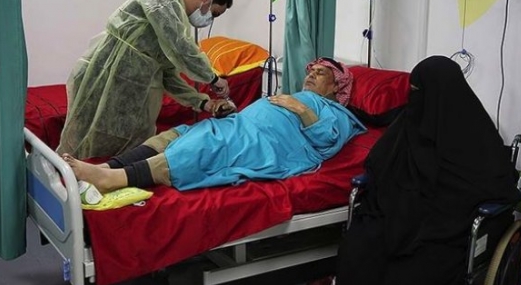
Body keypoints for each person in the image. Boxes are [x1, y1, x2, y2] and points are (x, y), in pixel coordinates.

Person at [333, 56, 521, 285]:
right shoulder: (405, 127)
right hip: (394, 215)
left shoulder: (475, 138)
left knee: (408, 280)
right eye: (412, 90)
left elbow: (492, 185)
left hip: (443, 228)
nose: (415, 98)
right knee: (358, 251)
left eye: (419, 91)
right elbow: (379, 166)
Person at [62, 58, 364, 194]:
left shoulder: (336, 112)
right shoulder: (297, 94)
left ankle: (112, 179)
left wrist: (299, 108)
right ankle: (108, 166)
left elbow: (327, 141)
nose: (311, 74)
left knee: (200, 147)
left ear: (336, 87)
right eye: (311, 70)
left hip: (262, 146)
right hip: (239, 127)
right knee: (176, 134)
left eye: (321, 73)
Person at [58, 0, 235, 160]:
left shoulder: (178, 23)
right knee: (84, 141)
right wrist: (213, 78)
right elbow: (181, 47)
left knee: (117, 150)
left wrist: (203, 102)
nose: (210, 20)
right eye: (214, 13)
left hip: (128, 87)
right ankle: (68, 174)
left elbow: (167, 75)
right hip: (102, 76)